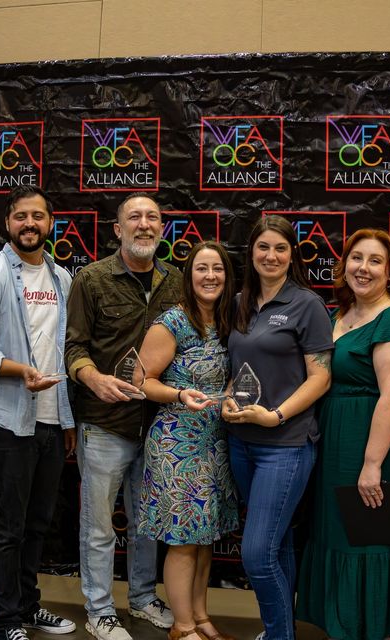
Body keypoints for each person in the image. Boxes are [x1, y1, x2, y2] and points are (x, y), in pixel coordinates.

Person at [296, 228, 390, 640]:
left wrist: (372, 464)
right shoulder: (337, 315)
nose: (364, 268)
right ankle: (345, 625)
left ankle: (376, 628)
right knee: (339, 532)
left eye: (376, 261)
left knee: (372, 536)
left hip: (376, 447)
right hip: (335, 443)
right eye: (357, 258)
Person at [0, 185, 77, 640]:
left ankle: (27, 606)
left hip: (49, 421)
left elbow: (62, 354)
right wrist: (15, 369)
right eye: (21, 216)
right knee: (7, 528)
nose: (30, 224)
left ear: (50, 224)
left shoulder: (63, 279)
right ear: (7, 223)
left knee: (37, 524)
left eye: (38, 216)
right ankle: (5, 620)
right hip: (7, 422)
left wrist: (65, 420)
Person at [65, 193, 179, 640]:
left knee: (146, 523)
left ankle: (143, 598)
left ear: (162, 228)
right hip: (105, 423)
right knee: (98, 527)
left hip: (158, 426)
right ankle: (98, 610)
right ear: (118, 229)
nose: (144, 224)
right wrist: (93, 379)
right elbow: (73, 347)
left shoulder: (176, 281)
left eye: (153, 217)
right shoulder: (90, 280)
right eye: (135, 217)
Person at [221, 215, 333, 640]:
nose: (271, 256)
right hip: (242, 443)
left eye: (280, 248)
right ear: (251, 252)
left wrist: (276, 415)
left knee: (255, 553)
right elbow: (240, 367)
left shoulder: (306, 304)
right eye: (263, 247)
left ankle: (277, 633)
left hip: (284, 444)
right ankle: (280, 632)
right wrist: (231, 397)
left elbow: (321, 377)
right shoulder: (238, 303)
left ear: (292, 255)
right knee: (278, 543)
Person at [138, 242, 239, 640]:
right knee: (182, 539)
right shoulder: (172, 322)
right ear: (189, 275)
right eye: (201, 268)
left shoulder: (228, 320)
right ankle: (181, 627)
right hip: (177, 444)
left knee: (204, 538)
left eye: (217, 269)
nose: (210, 276)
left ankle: (200, 616)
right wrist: (179, 395)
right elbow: (141, 382)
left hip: (215, 440)